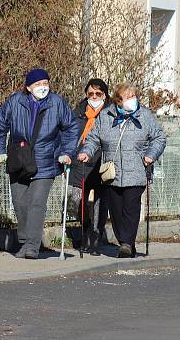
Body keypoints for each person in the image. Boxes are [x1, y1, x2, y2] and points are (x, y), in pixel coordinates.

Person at [0, 68, 78, 259]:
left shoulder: (57, 103)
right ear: (28, 87)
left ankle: (32, 246)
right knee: (20, 202)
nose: (43, 87)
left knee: (37, 203)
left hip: (45, 161)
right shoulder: (15, 101)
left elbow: (71, 127)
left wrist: (66, 152)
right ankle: (24, 242)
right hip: (18, 159)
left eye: (45, 83)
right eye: (38, 84)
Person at [78, 82, 166, 258]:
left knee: (131, 209)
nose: (134, 100)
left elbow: (159, 137)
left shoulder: (145, 116)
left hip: (136, 171)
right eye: (129, 97)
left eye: (134, 96)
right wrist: (86, 152)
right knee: (116, 211)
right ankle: (127, 242)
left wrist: (150, 155)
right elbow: (94, 138)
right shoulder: (106, 116)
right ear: (118, 101)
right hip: (112, 173)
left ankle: (126, 243)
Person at [69, 78, 111, 254]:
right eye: (91, 93)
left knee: (99, 203)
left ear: (105, 95)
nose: (94, 97)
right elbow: (69, 134)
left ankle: (94, 236)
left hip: (100, 162)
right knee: (78, 201)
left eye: (98, 94)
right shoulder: (78, 112)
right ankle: (84, 229)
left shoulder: (110, 113)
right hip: (80, 161)